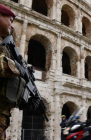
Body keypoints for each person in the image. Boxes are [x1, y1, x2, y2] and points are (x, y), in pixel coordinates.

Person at [0, 4, 40, 139]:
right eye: (10, 21)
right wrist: (17, 68)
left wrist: (25, 100)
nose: (12, 26)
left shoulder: (4, 46)